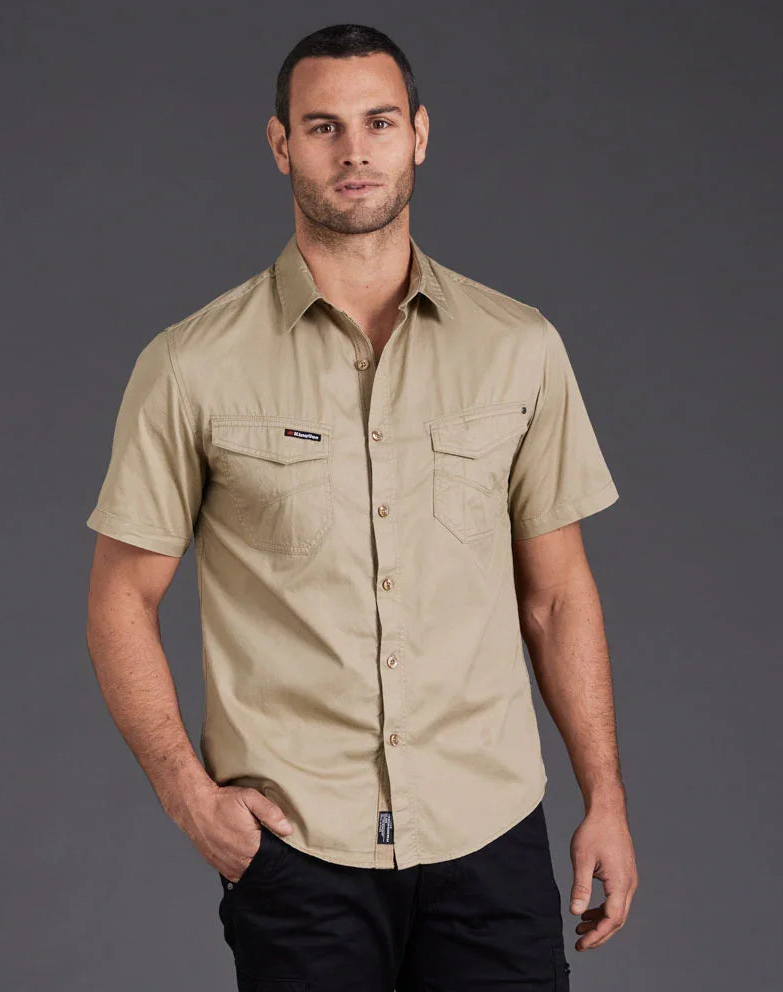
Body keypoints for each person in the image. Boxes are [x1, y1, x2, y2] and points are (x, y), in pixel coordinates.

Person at [85, 22, 638, 991]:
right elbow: (119, 599)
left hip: (489, 830)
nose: (354, 151)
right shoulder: (191, 365)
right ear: (280, 144)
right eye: (323, 126)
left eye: (379, 122)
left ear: (419, 133)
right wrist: (188, 795)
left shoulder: (519, 348)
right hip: (298, 849)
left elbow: (556, 597)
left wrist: (606, 797)